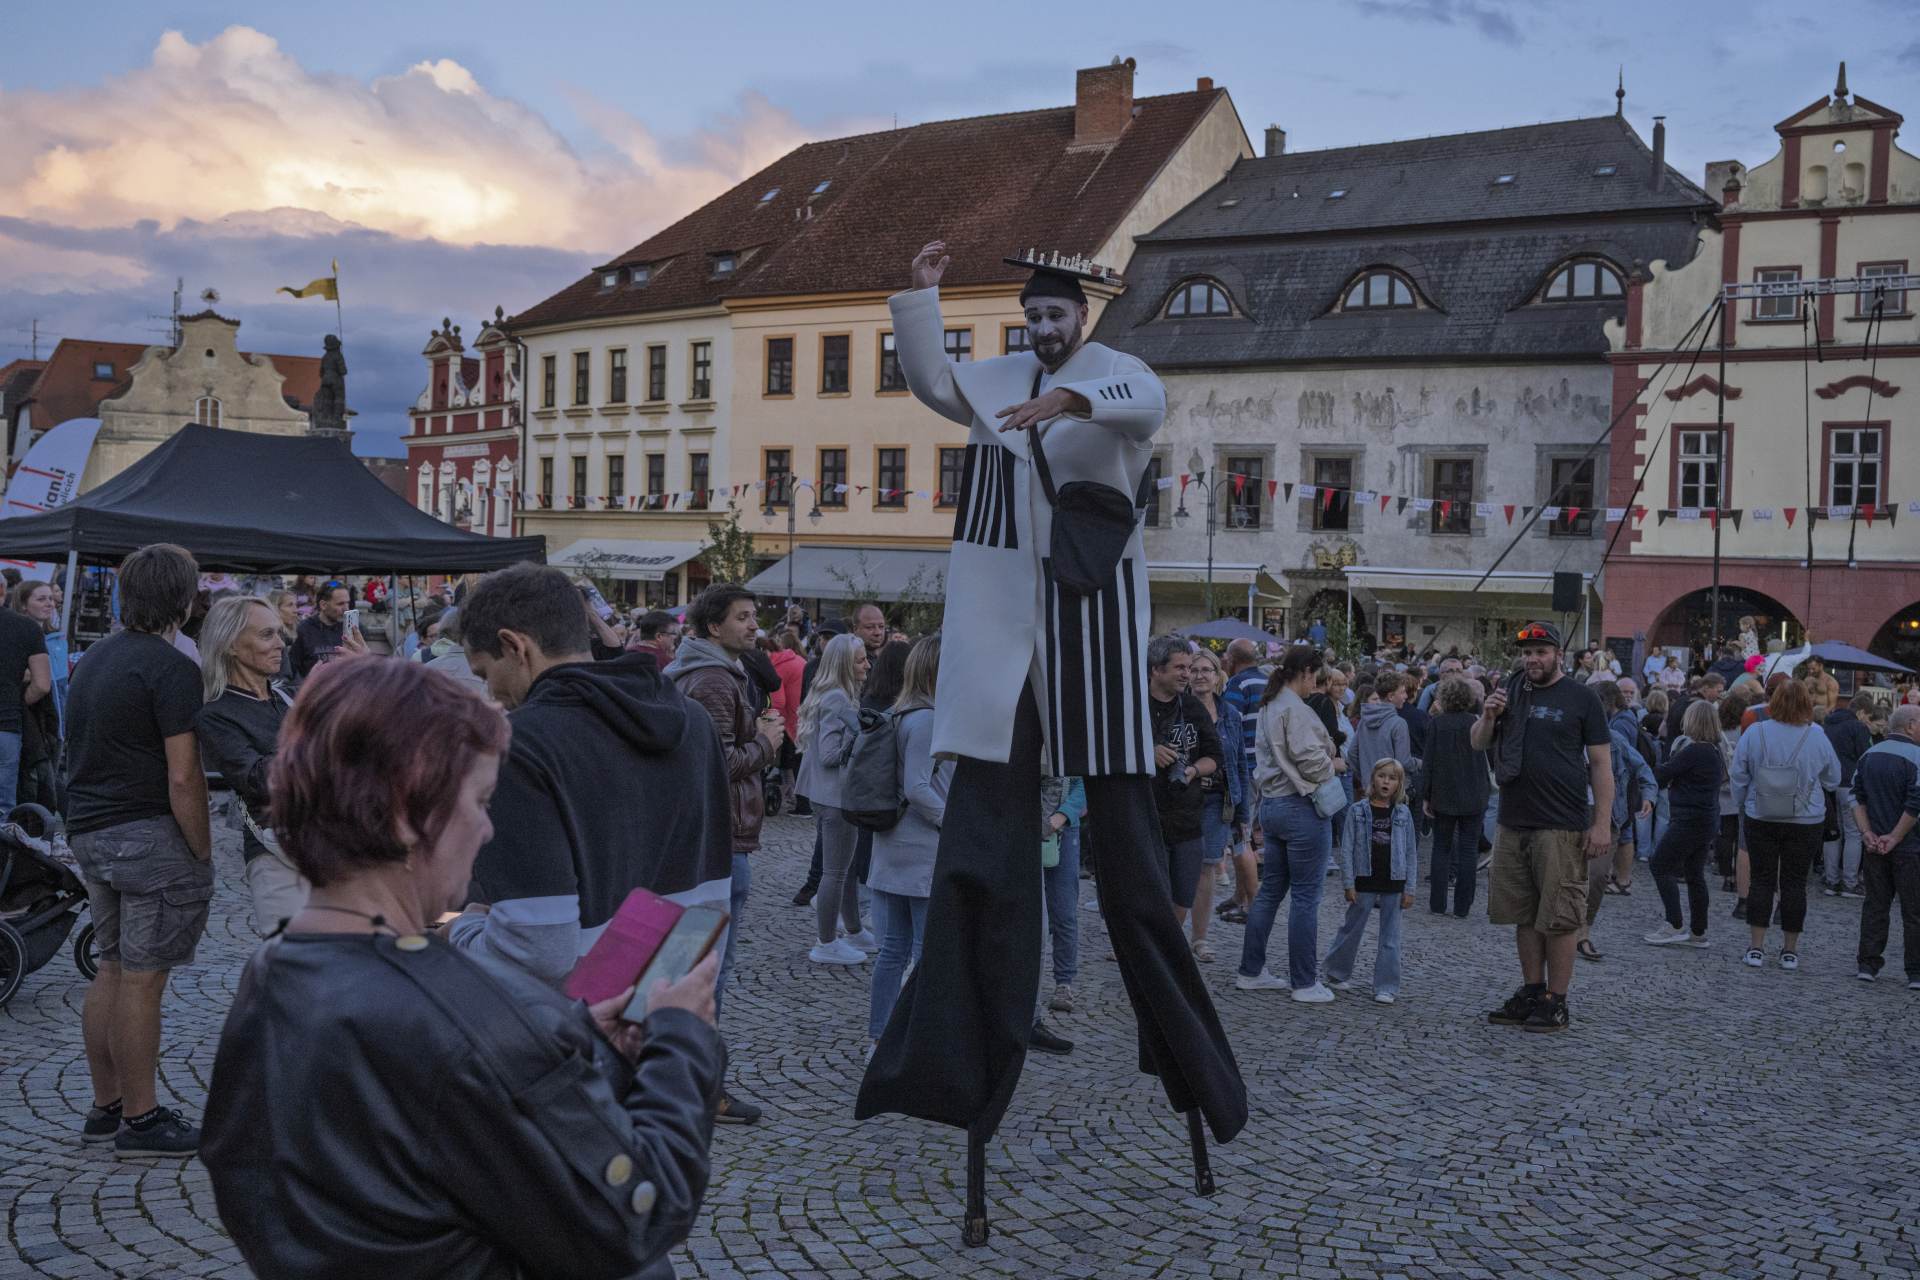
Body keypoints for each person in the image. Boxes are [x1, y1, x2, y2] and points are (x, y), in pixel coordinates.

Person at [858, 240, 1246, 1218]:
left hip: (1094, 633)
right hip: (1002, 642)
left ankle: (1199, 1073)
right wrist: (922, 292)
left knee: (1135, 877)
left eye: (1059, 314)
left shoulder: (1121, 376)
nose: (1046, 329)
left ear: (1083, 320)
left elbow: (1146, 409)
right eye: (1034, 315)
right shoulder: (989, 381)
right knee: (980, 868)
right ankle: (956, 1069)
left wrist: (1071, 405)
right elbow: (933, 379)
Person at [199, 658, 722, 1279]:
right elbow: (639, 1216)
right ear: (404, 815)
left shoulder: (272, 974)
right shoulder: (467, 1012)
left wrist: (578, 1046)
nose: (488, 827)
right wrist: (683, 1044)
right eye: (478, 800)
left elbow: (424, 1126)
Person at [448, 564, 733, 988]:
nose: (491, 694)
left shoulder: (519, 746)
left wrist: (460, 932)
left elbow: (538, 950)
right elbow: (709, 892)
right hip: (673, 1000)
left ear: (514, 646)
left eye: (485, 673)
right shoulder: (693, 721)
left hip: (573, 1026)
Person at [67, 544, 211, 1156]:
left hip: (91, 830)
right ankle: (142, 1118)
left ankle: (106, 1106)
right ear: (184, 598)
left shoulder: (93, 658)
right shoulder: (171, 666)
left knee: (112, 964)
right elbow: (184, 776)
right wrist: (201, 851)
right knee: (142, 980)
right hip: (147, 834)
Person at [665, 583, 785, 1126]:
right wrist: (766, 742)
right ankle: (699, 1085)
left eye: (754, 616)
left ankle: (680, 1076)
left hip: (708, 841)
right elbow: (714, 764)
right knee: (707, 972)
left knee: (690, 965)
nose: (753, 625)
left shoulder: (709, 671)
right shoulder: (714, 679)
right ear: (713, 627)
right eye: (742, 617)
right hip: (719, 843)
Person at [1474, 620, 1613, 1034]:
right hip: (1514, 820)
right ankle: (1532, 990)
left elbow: (1603, 765)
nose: (1533, 659)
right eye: (1528, 652)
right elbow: (1478, 743)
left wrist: (1601, 823)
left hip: (1562, 822)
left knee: (1560, 916)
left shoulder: (1582, 698)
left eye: (1541, 652)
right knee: (1523, 914)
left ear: (1558, 655)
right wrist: (1488, 715)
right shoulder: (1508, 693)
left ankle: (1557, 1000)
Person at [1236, 645, 1345, 1002]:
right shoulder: (1293, 708)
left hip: (1273, 805)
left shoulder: (1270, 703)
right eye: (1317, 674)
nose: (1318, 682)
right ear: (1306, 672)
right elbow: (1309, 758)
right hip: (1300, 806)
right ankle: (1304, 981)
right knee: (1305, 897)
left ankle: (1251, 971)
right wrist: (1333, 765)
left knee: (1270, 892)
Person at [193, 596, 304, 937]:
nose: (280, 644)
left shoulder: (285, 696)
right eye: (267, 635)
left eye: (280, 634)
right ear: (231, 646)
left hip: (330, 848)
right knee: (298, 970)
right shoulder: (217, 712)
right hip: (277, 854)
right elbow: (258, 777)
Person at [867, 635, 949, 1049]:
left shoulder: (901, 713)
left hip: (896, 846)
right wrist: (949, 822)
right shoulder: (928, 719)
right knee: (920, 951)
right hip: (920, 850)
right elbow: (918, 787)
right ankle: (910, 1043)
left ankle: (881, 1037)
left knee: (893, 950)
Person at [1730, 678, 1841, 971]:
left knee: (1762, 881)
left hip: (1761, 814)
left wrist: (1744, 803)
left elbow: (1738, 773)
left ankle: (1756, 947)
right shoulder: (1816, 735)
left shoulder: (1756, 732)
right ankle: (1790, 951)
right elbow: (1833, 778)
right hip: (1806, 818)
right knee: (1795, 884)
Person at [797, 632, 871, 966]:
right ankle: (826, 942)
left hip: (826, 794)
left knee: (845, 867)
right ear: (843, 663)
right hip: (835, 797)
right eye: (860, 659)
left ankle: (853, 930)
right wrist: (863, 739)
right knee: (836, 872)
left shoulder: (829, 693)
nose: (867, 664)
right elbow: (829, 754)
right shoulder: (838, 698)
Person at [1323, 759, 1417, 1003]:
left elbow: (1410, 853)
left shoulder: (1404, 813)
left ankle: (1386, 986)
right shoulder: (1357, 810)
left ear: (1399, 784)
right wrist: (1348, 883)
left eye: (1392, 778)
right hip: (1364, 878)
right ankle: (1336, 972)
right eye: (1382, 776)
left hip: (1394, 881)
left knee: (1390, 937)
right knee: (1351, 928)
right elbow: (1347, 848)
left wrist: (1410, 888)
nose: (1386, 781)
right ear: (1373, 778)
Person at [1146, 636, 1222, 929]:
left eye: (1188, 668)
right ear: (1156, 670)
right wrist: (1147, 753)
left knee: (1182, 899)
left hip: (1188, 819)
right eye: (1179, 667)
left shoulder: (1192, 708)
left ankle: (1165, 948)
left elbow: (1215, 756)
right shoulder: (1133, 707)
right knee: (1152, 895)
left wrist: (1192, 770)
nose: (1186, 674)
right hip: (1147, 817)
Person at [1644, 698, 1726, 947]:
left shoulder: (1694, 751)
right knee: (1694, 874)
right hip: (1706, 818)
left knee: (1659, 865)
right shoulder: (1714, 751)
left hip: (1688, 819)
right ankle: (1698, 931)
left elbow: (1662, 774)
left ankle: (1674, 923)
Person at [1851, 704, 1920, 986]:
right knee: (1913, 911)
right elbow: (1916, 804)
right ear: (1911, 725)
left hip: (1874, 845)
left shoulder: (1869, 755)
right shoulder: (1917, 758)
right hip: (1909, 846)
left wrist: (1867, 833)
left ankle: (1868, 964)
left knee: (1875, 905)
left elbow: (1855, 797)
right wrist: (1896, 836)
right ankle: (1915, 970)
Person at [1182, 647, 1244, 961]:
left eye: (1206, 670)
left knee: (1207, 868)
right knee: (1174, 867)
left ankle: (1200, 938)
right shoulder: (1178, 709)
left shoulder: (1230, 714)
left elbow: (1239, 763)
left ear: (1218, 675)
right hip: (1181, 799)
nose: (1200, 675)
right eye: (1194, 670)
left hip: (1218, 800)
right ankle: (1168, 934)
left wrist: (1243, 813)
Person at [1424, 677, 1490, 918]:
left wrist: (1426, 795)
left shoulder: (1437, 724)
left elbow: (1429, 762)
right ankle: (1463, 905)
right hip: (1473, 791)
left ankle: (1438, 902)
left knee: (1441, 847)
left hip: (1443, 791)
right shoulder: (1476, 722)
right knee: (1468, 849)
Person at [0, 576, 51, 813]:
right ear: (3, 592)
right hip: (6, 726)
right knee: (3, 806)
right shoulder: (28, 628)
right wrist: (17, 703)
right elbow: (42, 684)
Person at [1822, 697, 1873, 897]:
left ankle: (1831, 879)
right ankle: (1850, 882)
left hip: (1828, 784)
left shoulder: (1827, 725)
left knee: (1832, 832)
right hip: (1850, 783)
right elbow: (1866, 755)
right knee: (1853, 833)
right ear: (1861, 712)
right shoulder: (1857, 727)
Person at [290, 580, 366, 678]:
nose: (346, 608)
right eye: (340, 604)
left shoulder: (355, 629)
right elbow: (293, 670)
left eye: (347, 603)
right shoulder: (304, 629)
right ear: (323, 605)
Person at [1803, 656, 1841, 720]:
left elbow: (1832, 705)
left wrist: (1822, 717)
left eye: (1813, 669)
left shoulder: (1830, 682)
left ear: (1821, 666)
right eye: (1809, 669)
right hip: (1807, 716)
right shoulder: (1807, 680)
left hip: (1822, 717)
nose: (1811, 671)